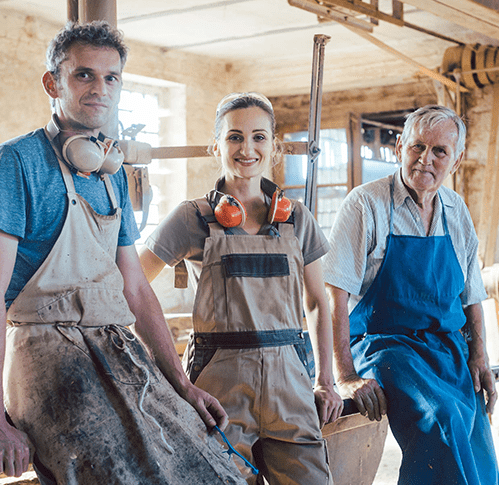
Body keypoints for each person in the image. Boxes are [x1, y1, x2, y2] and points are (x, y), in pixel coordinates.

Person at [0, 21, 246, 485]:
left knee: (208, 463)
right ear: (52, 83)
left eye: (111, 77)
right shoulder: (16, 163)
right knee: (121, 473)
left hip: (118, 347)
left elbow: (134, 286)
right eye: (83, 75)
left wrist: (182, 384)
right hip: (48, 356)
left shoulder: (111, 173)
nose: (100, 88)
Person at [139, 92, 343, 484]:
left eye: (259, 137)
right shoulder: (193, 217)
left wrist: (326, 382)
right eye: (234, 137)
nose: (246, 148)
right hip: (219, 389)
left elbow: (318, 302)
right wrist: (169, 371)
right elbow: (132, 285)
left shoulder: (297, 218)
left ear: (275, 146)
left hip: (292, 388)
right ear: (216, 146)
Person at [324, 104, 499, 484]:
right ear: (399, 146)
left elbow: (471, 295)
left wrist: (480, 357)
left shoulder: (456, 210)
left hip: (447, 349)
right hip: (385, 346)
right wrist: (345, 377)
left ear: (457, 159)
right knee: (441, 418)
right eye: (417, 146)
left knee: (477, 433)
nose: (426, 159)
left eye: (440, 151)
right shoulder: (366, 203)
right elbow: (333, 296)